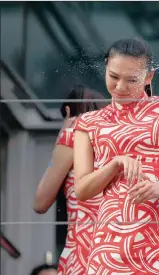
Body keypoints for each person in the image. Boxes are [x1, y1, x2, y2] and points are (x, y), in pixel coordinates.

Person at [73, 37, 159, 274]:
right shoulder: (88, 123)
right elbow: (81, 190)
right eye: (113, 77)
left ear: (149, 77)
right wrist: (115, 164)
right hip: (112, 240)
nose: (120, 87)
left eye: (131, 80)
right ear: (105, 69)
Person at [33, 85, 107, 274]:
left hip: (84, 255)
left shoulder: (72, 137)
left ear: (68, 112)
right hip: (120, 253)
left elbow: (40, 203)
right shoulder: (119, 144)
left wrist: (61, 140)